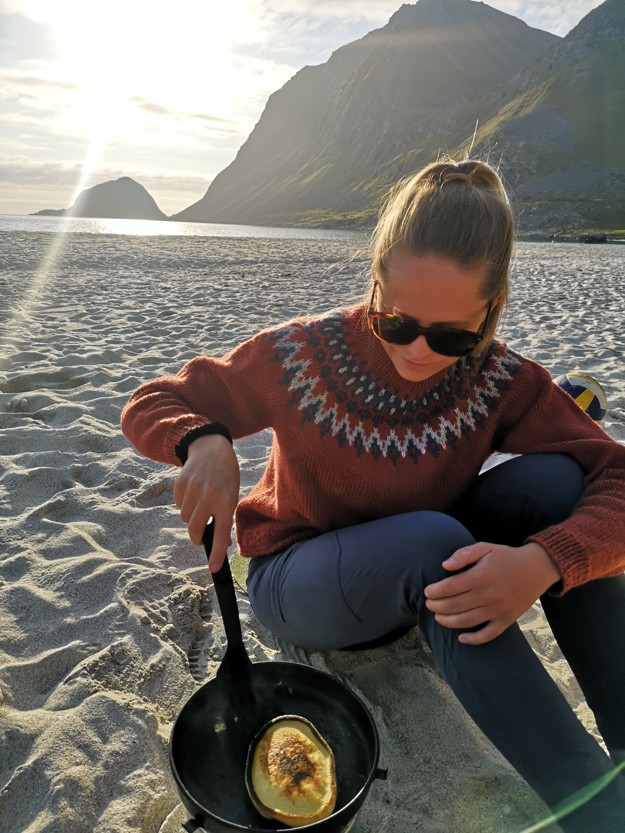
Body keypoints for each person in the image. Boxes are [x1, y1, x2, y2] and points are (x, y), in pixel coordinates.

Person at [121, 159, 625, 831]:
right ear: (376, 279)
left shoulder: (501, 378)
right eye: (395, 321)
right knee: (434, 543)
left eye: (450, 335)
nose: (417, 350)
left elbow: (613, 475)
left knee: (558, 483)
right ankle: (600, 810)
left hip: (422, 565)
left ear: (491, 305)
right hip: (300, 581)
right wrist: (204, 440)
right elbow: (155, 399)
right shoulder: (304, 353)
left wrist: (545, 561)